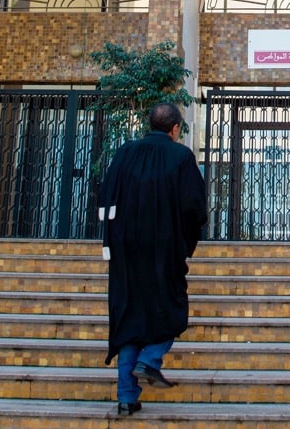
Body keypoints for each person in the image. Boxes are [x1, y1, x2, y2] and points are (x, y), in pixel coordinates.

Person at [99, 101, 207, 416]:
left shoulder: (124, 154)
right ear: (175, 129)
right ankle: (150, 360)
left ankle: (126, 398)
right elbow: (194, 209)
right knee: (171, 311)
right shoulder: (181, 157)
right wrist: (184, 243)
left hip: (125, 254)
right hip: (164, 252)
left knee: (129, 319)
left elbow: (106, 196)